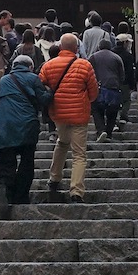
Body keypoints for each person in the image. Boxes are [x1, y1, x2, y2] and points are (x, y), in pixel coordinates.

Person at [39, 33, 99, 204]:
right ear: (76, 48)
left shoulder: (48, 65)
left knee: (62, 142)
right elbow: (93, 92)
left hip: (58, 113)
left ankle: (54, 178)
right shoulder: (84, 65)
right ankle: (76, 190)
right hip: (79, 114)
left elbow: (40, 86)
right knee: (79, 153)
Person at [0, 54, 53, 210]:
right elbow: (43, 99)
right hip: (27, 125)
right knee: (26, 162)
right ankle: (21, 196)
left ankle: (4, 186)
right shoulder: (33, 79)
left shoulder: (3, 80)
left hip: (5, 127)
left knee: (5, 161)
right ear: (30, 66)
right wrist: (50, 92)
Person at [89, 39, 125, 142]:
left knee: (96, 110)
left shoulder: (93, 57)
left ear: (99, 46)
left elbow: (89, 72)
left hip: (98, 87)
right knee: (112, 112)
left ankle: (101, 130)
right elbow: (122, 75)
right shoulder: (117, 57)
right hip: (114, 87)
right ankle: (109, 133)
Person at [112, 27, 136, 128]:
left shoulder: (111, 53)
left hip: (113, 81)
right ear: (125, 43)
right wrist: (132, 84)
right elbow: (130, 71)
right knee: (126, 100)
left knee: (114, 101)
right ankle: (123, 116)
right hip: (124, 81)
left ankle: (115, 118)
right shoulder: (127, 55)